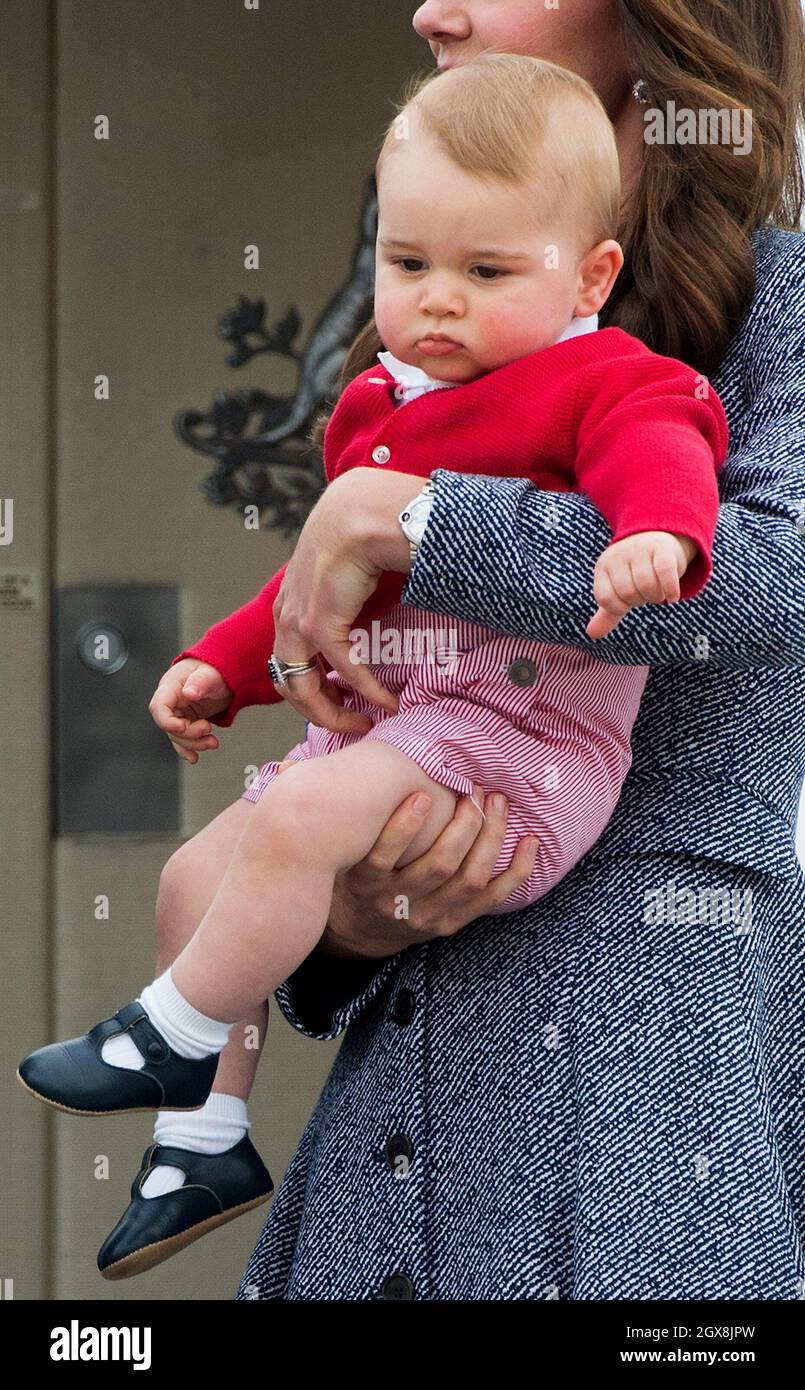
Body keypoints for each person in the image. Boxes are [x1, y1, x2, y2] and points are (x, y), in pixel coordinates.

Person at [15, 54, 730, 1283]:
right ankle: (203, 1140)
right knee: (194, 877)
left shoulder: (601, 377)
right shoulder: (380, 407)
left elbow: (662, 452)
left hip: (524, 748)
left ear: (590, 276)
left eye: (486, 272)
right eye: (409, 266)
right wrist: (221, 669)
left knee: (291, 819)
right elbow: (318, 586)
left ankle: (172, 1033)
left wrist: (658, 538)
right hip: (397, 730)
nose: (438, 303)